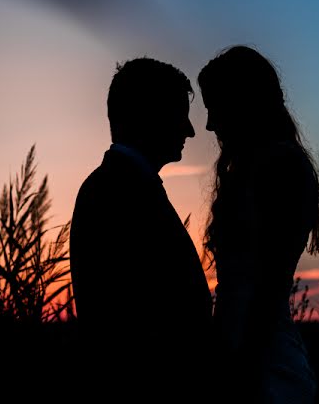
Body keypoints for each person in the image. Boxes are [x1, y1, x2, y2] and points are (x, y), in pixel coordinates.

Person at [70, 57, 212, 395]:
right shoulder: (116, 191)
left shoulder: (124, 185)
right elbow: (128, 316)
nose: (190, 130)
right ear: (151, 115)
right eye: (180, 115)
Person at [197, 46, 319, 403]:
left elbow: (269, 286)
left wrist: (242, 370)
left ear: (243, 102)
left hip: (261, 363)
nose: (209, 125)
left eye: (214, 108)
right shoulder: (254, 168)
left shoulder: (282, 167)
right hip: (242, 352)